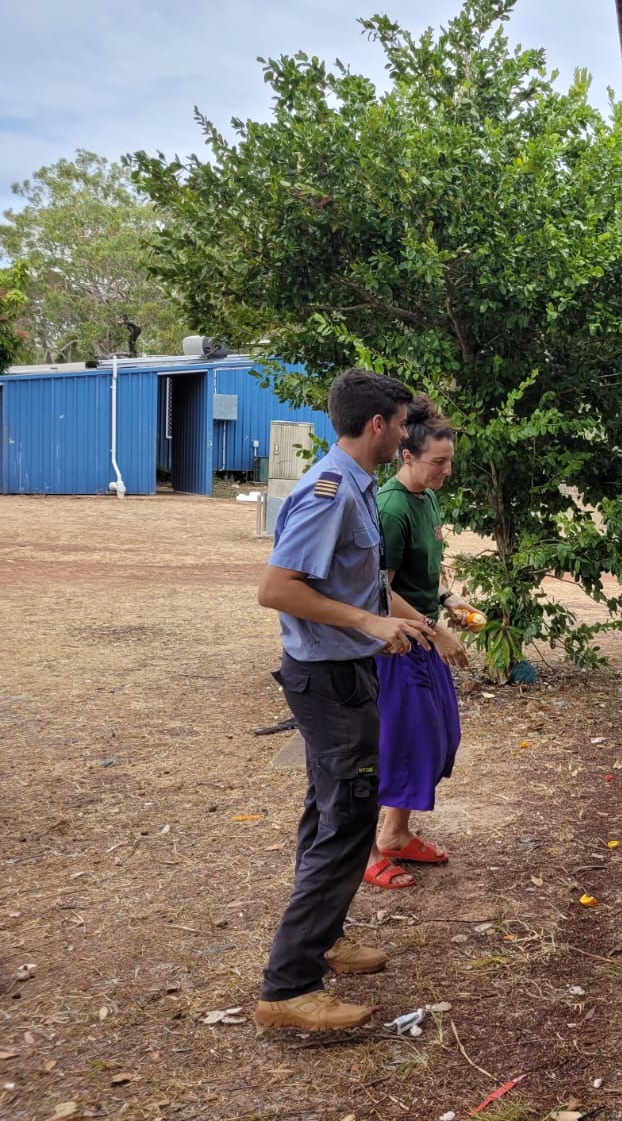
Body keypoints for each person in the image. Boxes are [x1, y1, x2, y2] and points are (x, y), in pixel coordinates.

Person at [253, 369, 437, 1032]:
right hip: (325, 681)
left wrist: (402, 623)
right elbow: (276, 589)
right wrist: (368, 624)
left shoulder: (356, 488)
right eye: (400, 423)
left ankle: (323, 940)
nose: (406, 436)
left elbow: (354, 586)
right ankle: (288, 986)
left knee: (328, 809)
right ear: (379, 426)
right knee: (350, 820)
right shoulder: (331, 493)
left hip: (345, 673)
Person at [362, 398, 470, 891]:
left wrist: (448, 600)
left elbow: (419, 573)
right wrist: (434, 627)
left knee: (434, 738)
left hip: (423, 631)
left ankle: (398, 834)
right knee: (397, 746)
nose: (445, 471)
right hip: (398, 644)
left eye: (449, 462)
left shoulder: (426, 497)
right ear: (407, 456)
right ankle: (371, 847)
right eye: (437, 463)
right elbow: (378, 591)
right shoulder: (391, 508)